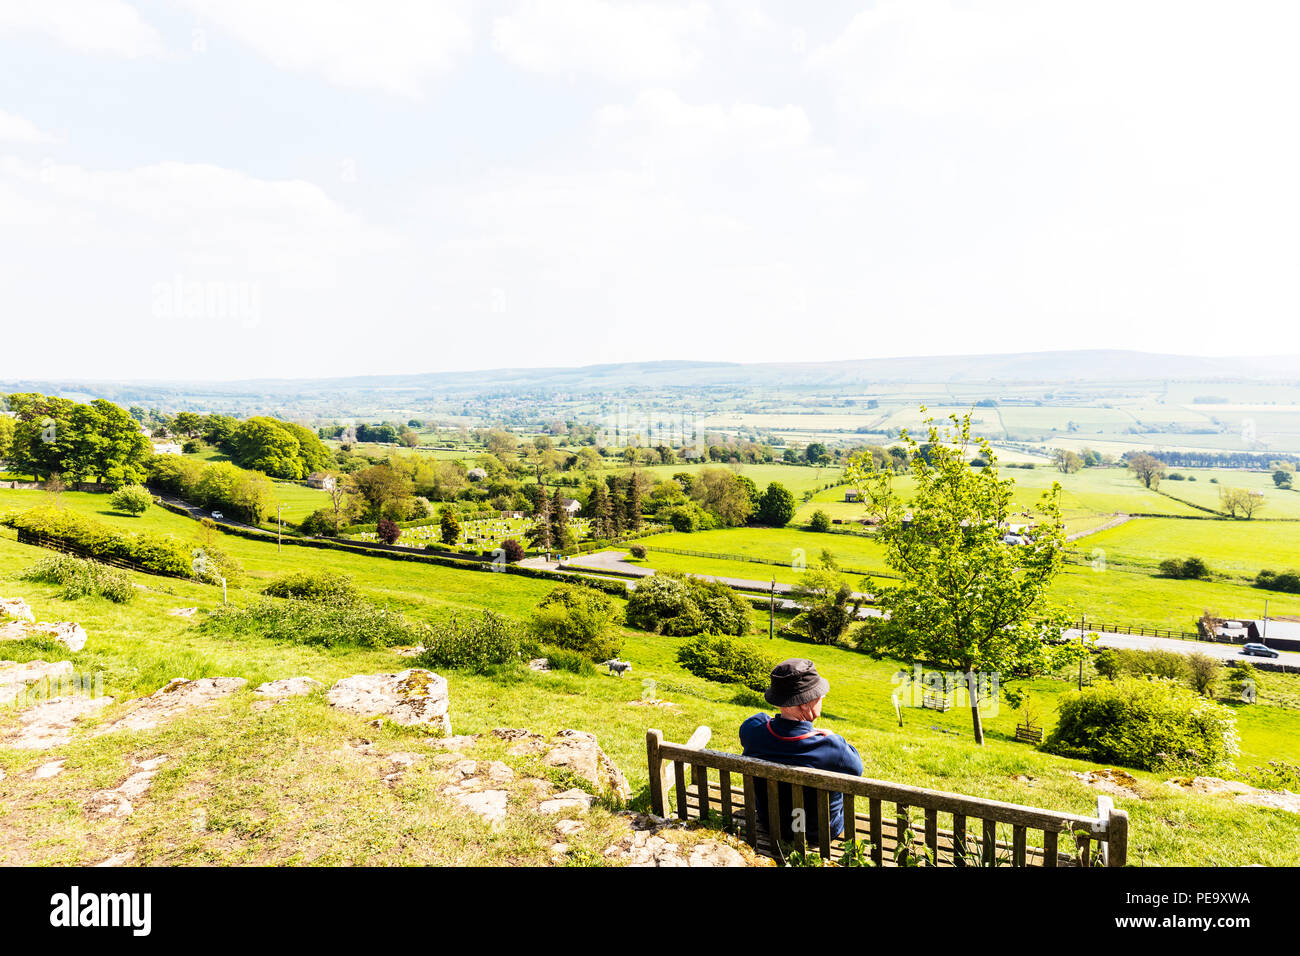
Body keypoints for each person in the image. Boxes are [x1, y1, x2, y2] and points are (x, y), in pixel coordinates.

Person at [740, 658, 863, 842]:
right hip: (819, 832)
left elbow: (762, 722)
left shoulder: (752, 729)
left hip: (771, 823)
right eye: (820, 696)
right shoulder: (832, 747)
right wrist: (832, 736)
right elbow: (857, 769)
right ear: (805, 704)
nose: (823, 699)